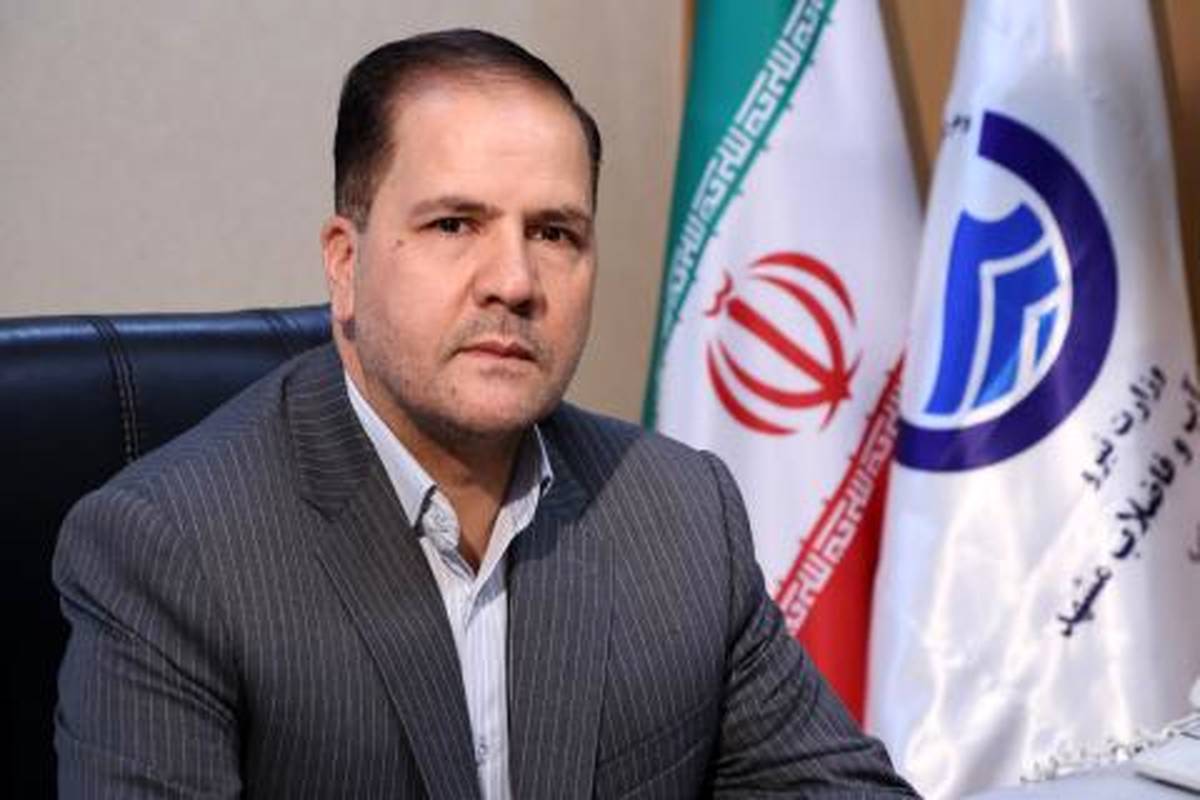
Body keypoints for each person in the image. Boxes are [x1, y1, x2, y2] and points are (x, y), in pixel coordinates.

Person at [53, 28, 916, 799]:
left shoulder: (681, 512)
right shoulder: (170, 551)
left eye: (554, 233)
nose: (514, 281)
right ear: (345, 264)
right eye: (455, 225)